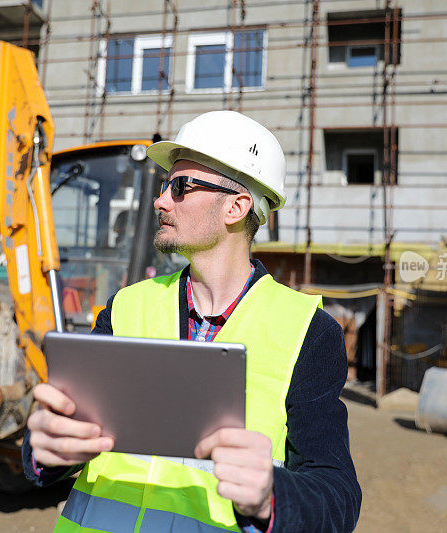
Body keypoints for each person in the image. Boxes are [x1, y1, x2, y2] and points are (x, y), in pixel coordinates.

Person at [23, 111, 361, 532]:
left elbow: (337, 497)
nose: (160, 200)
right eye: (165, 185)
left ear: (236, 207)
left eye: (180, 186)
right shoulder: (126, 307)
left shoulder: (307, 332)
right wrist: (45, 450)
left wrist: (271, 495)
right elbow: (62, 435)